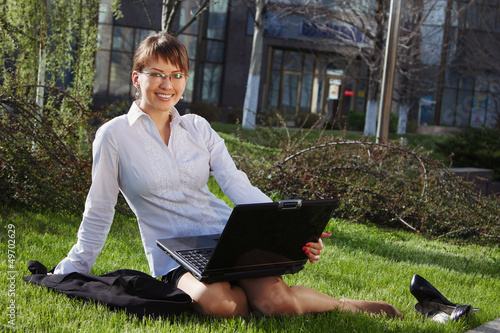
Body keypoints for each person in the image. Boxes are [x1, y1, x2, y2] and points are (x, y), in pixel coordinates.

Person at [54, 32, 403, 319]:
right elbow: (100, 209)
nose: (167, 84)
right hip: (175, 254)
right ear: (137, 77)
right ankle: (257, 295)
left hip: (229, 238)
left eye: (176, 75)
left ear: (185, 80)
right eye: (157, 74)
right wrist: (73, 268)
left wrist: (286, 229)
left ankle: (343, 305)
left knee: (278, 305)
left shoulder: (197, 127)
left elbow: (235, 182)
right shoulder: (114, 136)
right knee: (222, 306)